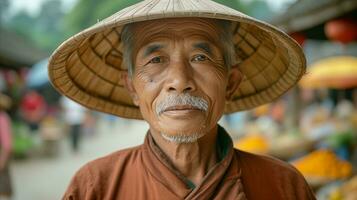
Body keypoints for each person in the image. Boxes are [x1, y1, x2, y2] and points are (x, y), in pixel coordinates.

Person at [48, 0, 315, 199]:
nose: (179, 81)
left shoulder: (282, 185)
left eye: (201, 57)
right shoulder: (95, 187)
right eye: (156, 60)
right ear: (131, 87)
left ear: (230, 83)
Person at [0, 93, 13, 200]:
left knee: (3, 190)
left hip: (1, 157)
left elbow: (7, 145)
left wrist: (2, 162)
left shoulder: (2, 118)